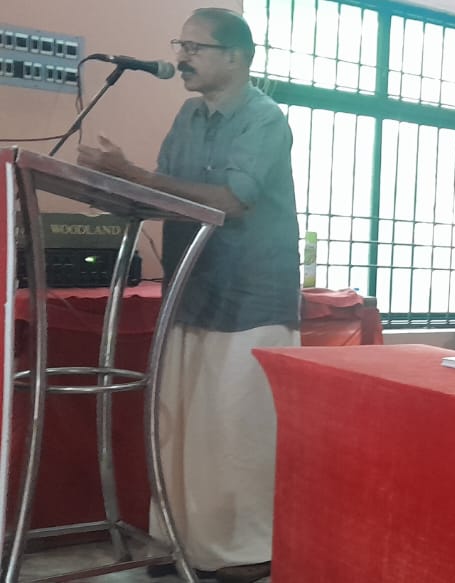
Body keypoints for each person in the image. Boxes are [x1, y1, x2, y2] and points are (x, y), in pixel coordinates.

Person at [78, 8, 298, 583]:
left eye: (196, 47)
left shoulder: (265, 118)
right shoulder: (188, 116)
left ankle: (245, 552)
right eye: (181, 44)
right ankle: (183, 544)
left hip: (250, 299)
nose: (181, 56)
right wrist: (110, 185)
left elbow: (232, 201)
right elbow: (165, 195)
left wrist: (134, 175)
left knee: (236, 433)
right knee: (183, 429)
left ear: (237, 56)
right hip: (191, 290)